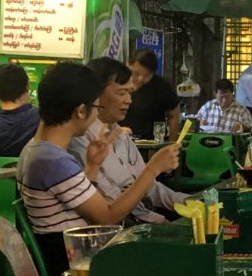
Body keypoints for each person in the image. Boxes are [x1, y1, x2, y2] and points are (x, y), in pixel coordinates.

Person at [16, 62, 180, 276]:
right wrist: (153, 168)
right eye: (96, 108)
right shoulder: (52, 161)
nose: (96, 116)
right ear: (81, 110)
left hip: (81, 255)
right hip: (82, 267)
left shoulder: (37, 150)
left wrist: (92, 167)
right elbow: (108, 217)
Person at [70, 58, 189, 226]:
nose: (129, 100)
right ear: (95, 94)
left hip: (146, 219)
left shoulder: (120, 135)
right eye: (121, 93)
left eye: (130, 93)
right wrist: (153, 168)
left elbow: (150, 188)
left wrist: (193, 202)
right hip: (124, 229)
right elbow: (109, 208)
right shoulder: (81, 140)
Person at [124, 49, 180, 140]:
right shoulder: (117, 81)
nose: (140, 79)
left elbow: (173, 114)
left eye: (146, 75)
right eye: (136, 73)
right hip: (120, 142)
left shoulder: (161, 86)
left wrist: (172, 143)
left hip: (150, 145)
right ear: (127, 65)